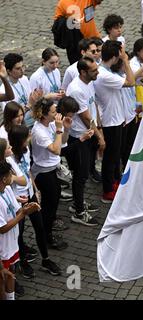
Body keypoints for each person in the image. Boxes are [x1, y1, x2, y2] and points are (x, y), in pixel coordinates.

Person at [8, 127, 63, 278]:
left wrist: (35, 189)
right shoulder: (9, 159)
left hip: (30, 195)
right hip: (18, 200)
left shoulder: (26, 150)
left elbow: (28, 171)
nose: (30, 137)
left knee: (39, 227)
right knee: (19, 233)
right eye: (27, 136)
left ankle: (46, 260)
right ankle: (23, 263)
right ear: (20, 140)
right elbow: (18, 179)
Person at [94, 41, 135, 203]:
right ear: (114, 57)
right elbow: (131, 81)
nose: (123, 56)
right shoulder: (105, 75)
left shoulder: (105, 71)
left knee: (115, 155)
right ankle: (108, 190)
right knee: (111, 157)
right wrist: (126, 61)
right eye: (121, 54)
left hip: (116, 117)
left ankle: (113, 183)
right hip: (110, 121)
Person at [31, 98, 72, 250]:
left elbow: (63, 142)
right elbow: (56, 150)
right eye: (54, 112)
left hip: (51, 170)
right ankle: (47, 236)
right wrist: (60, 130)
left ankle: (49, 231)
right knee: (49, 206)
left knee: (54, 202)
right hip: (43, 173)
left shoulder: (52, 124)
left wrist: (65, 129)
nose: (57, 115)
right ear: (44, 114)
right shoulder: (39, 131)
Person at [0, 160, 41, 300]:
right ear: (4, 178)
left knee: (11, 274)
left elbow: (17, 211)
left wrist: (27, 208)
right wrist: (23, 214)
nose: (13, 175)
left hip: (11, 244)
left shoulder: (7, 189)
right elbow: (2, 228)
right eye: (10, 174)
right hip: (2, 248)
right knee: (3, 280)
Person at [57, 95, 98, 226]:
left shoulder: (65, 120)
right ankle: (78, 211)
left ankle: (78, 202)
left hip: (77, 142)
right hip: (76, 144)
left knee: (81, 176)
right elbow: (62, 150)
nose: (74, 116)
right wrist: (81, 139)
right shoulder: (58, 123)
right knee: (79, 177)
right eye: (72, 113)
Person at [2, 54, 43, 128]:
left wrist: (37, 98)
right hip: (19, 126)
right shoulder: (3, 90)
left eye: (23, 67)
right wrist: (29, 105)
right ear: (9, 71)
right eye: (18, 68)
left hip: (33, 119)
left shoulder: (24, 78)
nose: (22, 70)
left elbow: (31, 99)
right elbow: (11, 116)